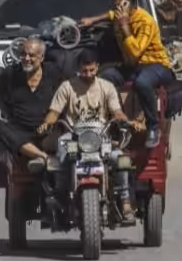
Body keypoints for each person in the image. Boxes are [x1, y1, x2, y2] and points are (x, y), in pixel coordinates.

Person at [38, 48, 136, 218]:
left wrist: (124, 120)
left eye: (91, 70)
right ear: (78, 68)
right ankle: (60, 196)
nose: (88, 73)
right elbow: (54, 112)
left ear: (97, 67)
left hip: (101, 135)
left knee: (120, 160)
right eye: (84, 70)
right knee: (60, 159)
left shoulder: (106, 87)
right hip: (73, 135)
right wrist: (47, 123)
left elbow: (116, 111)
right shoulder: (67, 87)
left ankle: (125, 200)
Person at [80, 0, 174, 148]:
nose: (113, 3)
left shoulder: (145, 21)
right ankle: (114, 121)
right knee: (103, 79)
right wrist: (93, 19)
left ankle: (153, 127)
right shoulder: (118, 14)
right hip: (133, 66)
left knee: (142, 83)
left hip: (155, 64)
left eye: (117, 0)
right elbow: (109, 14)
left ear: (127, 3)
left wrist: (124, 26)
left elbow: (136, 51)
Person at [0, 38, 64, 173]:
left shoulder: (53, 73)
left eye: (31, 55)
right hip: (20, 131)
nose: (26, 58)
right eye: (23, 54)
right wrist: (9, 113)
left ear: (41, 57)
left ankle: (41, 160)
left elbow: (66, 95)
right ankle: (44, 157)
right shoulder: (11, 74)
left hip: (47, 130)